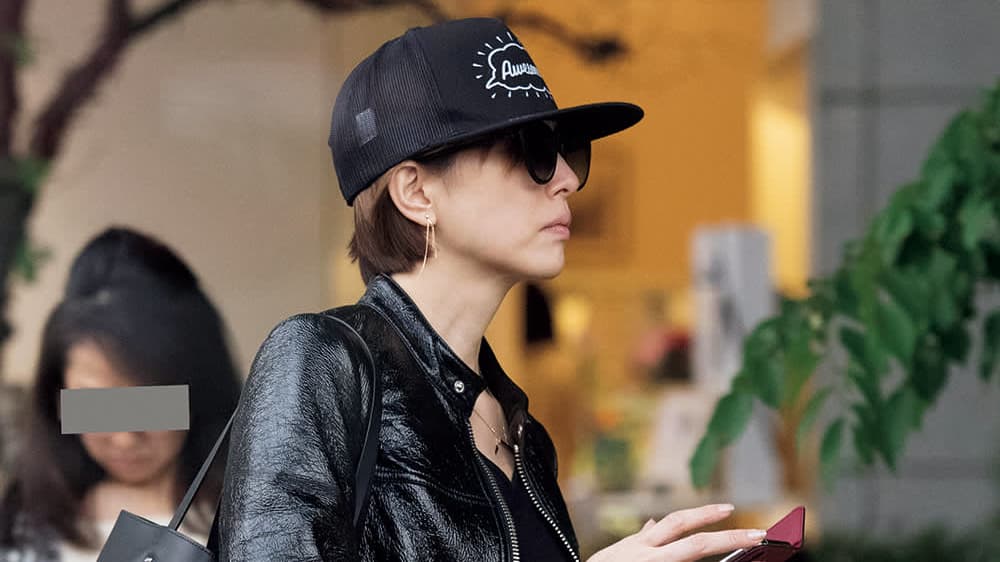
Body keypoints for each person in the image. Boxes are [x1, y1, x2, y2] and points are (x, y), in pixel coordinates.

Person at [216, 17, 767, 562]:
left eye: (568, 151)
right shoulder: (318, 362)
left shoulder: (526, 436)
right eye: (532, 150)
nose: (566, 179)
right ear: (416, 192)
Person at [0, 227, 242, 562]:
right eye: (98, 407)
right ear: (56, 399)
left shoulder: (252, 518)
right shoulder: (23, 526)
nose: (125, 438)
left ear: (199, 391)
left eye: (151, 404)